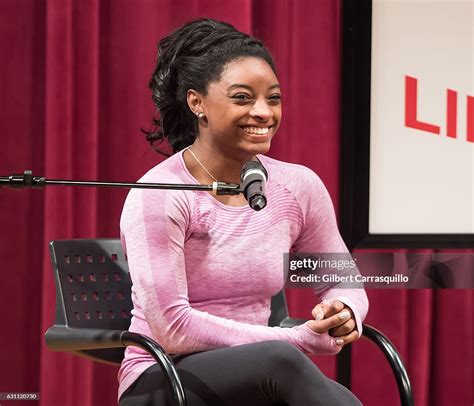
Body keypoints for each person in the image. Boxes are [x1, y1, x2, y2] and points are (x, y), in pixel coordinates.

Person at [118, 18, 368, 406]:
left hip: (260, 374)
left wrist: (344, 310)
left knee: (294, 372)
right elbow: (172, 328)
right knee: (282, 360)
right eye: (242, 97)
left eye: (273, 98)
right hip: (164, 376)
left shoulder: (297, 186)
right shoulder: (159, 194)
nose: (263, 112)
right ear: (196, 102)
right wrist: (296, 338)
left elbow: (341, 278)